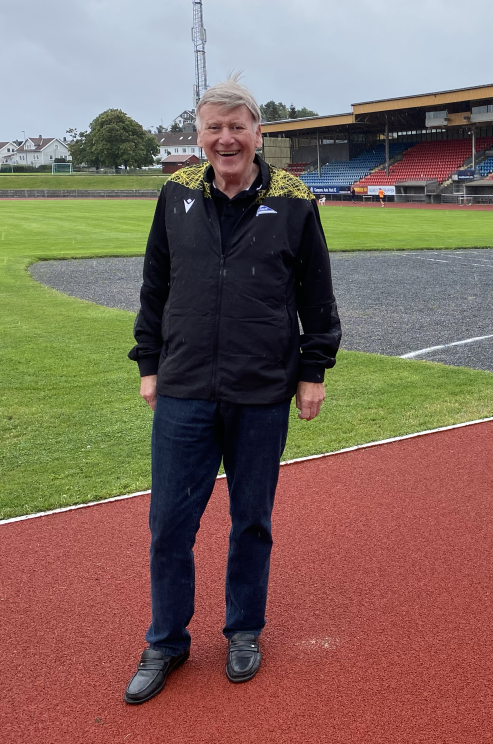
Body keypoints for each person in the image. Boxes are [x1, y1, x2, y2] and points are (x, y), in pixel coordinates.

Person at [123, 75, 341, 704]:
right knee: (169, 523)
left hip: (261, 389)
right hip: (186, 386)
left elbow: (315, 296)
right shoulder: (175, 194)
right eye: (213, 128)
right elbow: (154, 286)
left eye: (237, 127)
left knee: (252, 521)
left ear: (258, 134)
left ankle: (244, 629)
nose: (226, 139)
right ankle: (165, 640)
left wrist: (312, 371)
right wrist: (148, 364)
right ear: (199, 136)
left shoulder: (296, 199)